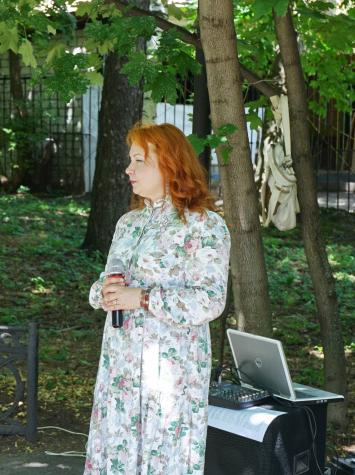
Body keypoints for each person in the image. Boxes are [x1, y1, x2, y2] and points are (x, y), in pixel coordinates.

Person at [84, 123, 230, 474]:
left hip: (170, 370)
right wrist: (103, 292)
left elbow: (210, 301)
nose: (128, 169)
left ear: (169, 164)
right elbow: (106, 282)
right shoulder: (128, 223)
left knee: (163, 456)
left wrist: (143, 298)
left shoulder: (204, 225)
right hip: (120, 366)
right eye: (129, 160)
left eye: (139, 160)